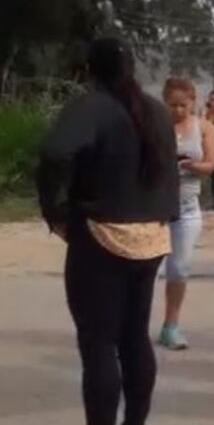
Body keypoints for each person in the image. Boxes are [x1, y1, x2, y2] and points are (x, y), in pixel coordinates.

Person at [37, 38, 179, 425]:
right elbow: (169, 170)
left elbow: (53, 153)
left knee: (98, 344)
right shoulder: (157, 112)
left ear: (90, 70)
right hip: (151, 236)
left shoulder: (91, 106)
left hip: (101, 235)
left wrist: (56, 213)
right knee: (134, 338)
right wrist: (163, 214)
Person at [158, 78, 214, 351]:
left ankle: (171, 324)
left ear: (193, 102)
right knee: (147, 270)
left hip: (187, 206)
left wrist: (191, 165)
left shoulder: (204, 127)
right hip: (156, 206)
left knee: (179, 268)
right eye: (173, 105)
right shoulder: (156, 126)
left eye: (183, 105)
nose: (178, 110)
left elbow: (210, 165)